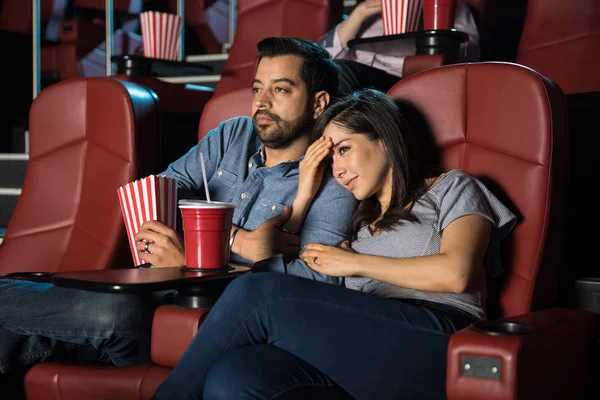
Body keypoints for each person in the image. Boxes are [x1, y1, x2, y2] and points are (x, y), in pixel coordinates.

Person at [0, 37, 357, 392]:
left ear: (317, 103)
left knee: (113, 312)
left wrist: (190, 259)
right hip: (145, 295)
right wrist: (237, 241)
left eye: (280, 90)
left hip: (208, 323)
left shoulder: (332, 177)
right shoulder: (233, 134)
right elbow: (157, 193)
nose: (261, 103)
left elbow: (319, 284)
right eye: (257, 88)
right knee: (23, 337)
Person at [151, 89, 516, 400]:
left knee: (255, 291)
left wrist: (354, 263)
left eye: (344, 149)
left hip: (440, 337)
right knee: (235, 376)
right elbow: (290, 263)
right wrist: (307, 189)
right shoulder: (357, 220)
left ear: (385, 140)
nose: (337, 169)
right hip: (366, 348)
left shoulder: (452, 187)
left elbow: (456, 273)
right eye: (330, 159)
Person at [318, 0, 480, 96]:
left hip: (401, 80)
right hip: (351, 76)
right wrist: (359, 14)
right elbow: (319, 56)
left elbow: (467, 52)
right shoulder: (369, 11)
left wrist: (426, 32)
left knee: (342, 72)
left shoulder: (448, 6)